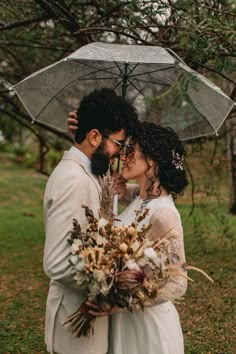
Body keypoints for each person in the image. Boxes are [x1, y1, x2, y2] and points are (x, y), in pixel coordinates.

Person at [43, 87, 138, 354]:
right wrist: (111, 282)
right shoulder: (73, 180)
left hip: (87, 325)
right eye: (118, 144)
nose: (119, 154)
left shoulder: (91, 173)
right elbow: (57, 263)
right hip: (72, 327)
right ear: (95, 136)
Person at [85, 122, 189, 354]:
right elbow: (139, 200)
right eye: (125, 147)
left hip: (147, 328)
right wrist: (121, 191)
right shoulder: (140, 198)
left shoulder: (164, 214)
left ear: (152, 160)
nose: (124, 154)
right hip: (124, 323)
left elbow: (179, 283)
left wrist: (123, 302)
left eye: (132, 148)